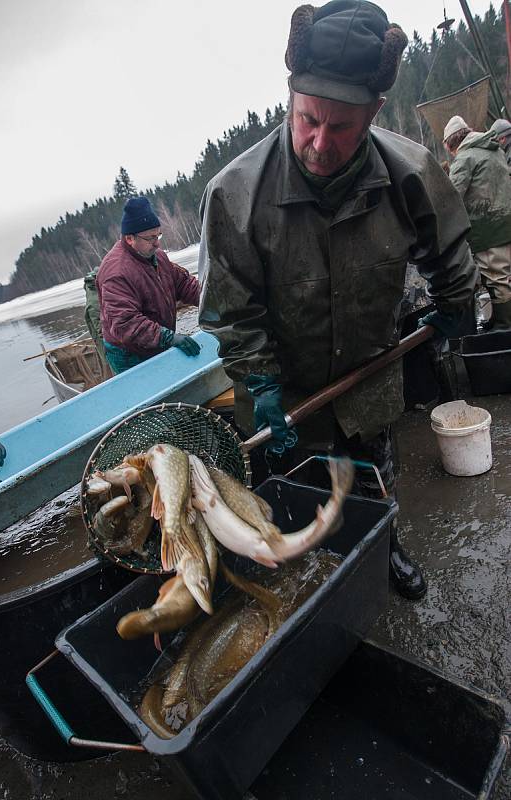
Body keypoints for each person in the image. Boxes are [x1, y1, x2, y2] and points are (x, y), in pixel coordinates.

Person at [199, 1, 478, 601]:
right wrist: (260, 383)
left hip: (371, 375)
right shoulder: (234, 197)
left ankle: (385, 546)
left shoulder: (411, 174)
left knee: (376, 478)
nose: (319, 142)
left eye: (341, 126)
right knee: (301, 498)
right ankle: (320, 578)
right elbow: (229, 310)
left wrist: (454, 301)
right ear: (291, 98)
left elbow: (449, 250)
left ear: (374, 112)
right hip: (289, 392)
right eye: (307, 119)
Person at [97, 196, 201, 374]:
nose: (158, 243)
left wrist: (213, 299)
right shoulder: (116, 273)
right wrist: (168, 337)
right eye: (151, 238)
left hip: (156, 341)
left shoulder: (157, 256)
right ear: (130, 238)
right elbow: (125, 324)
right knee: (149, 399)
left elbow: (184, 284)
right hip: (128, 354)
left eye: (158, 235)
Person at [444, 115, 511, 330]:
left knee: (497, 278)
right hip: (506, 221)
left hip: (490, 229)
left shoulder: (465, 158)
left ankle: (505, 326)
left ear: (450, 144)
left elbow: (451, 198)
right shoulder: (493, 149)